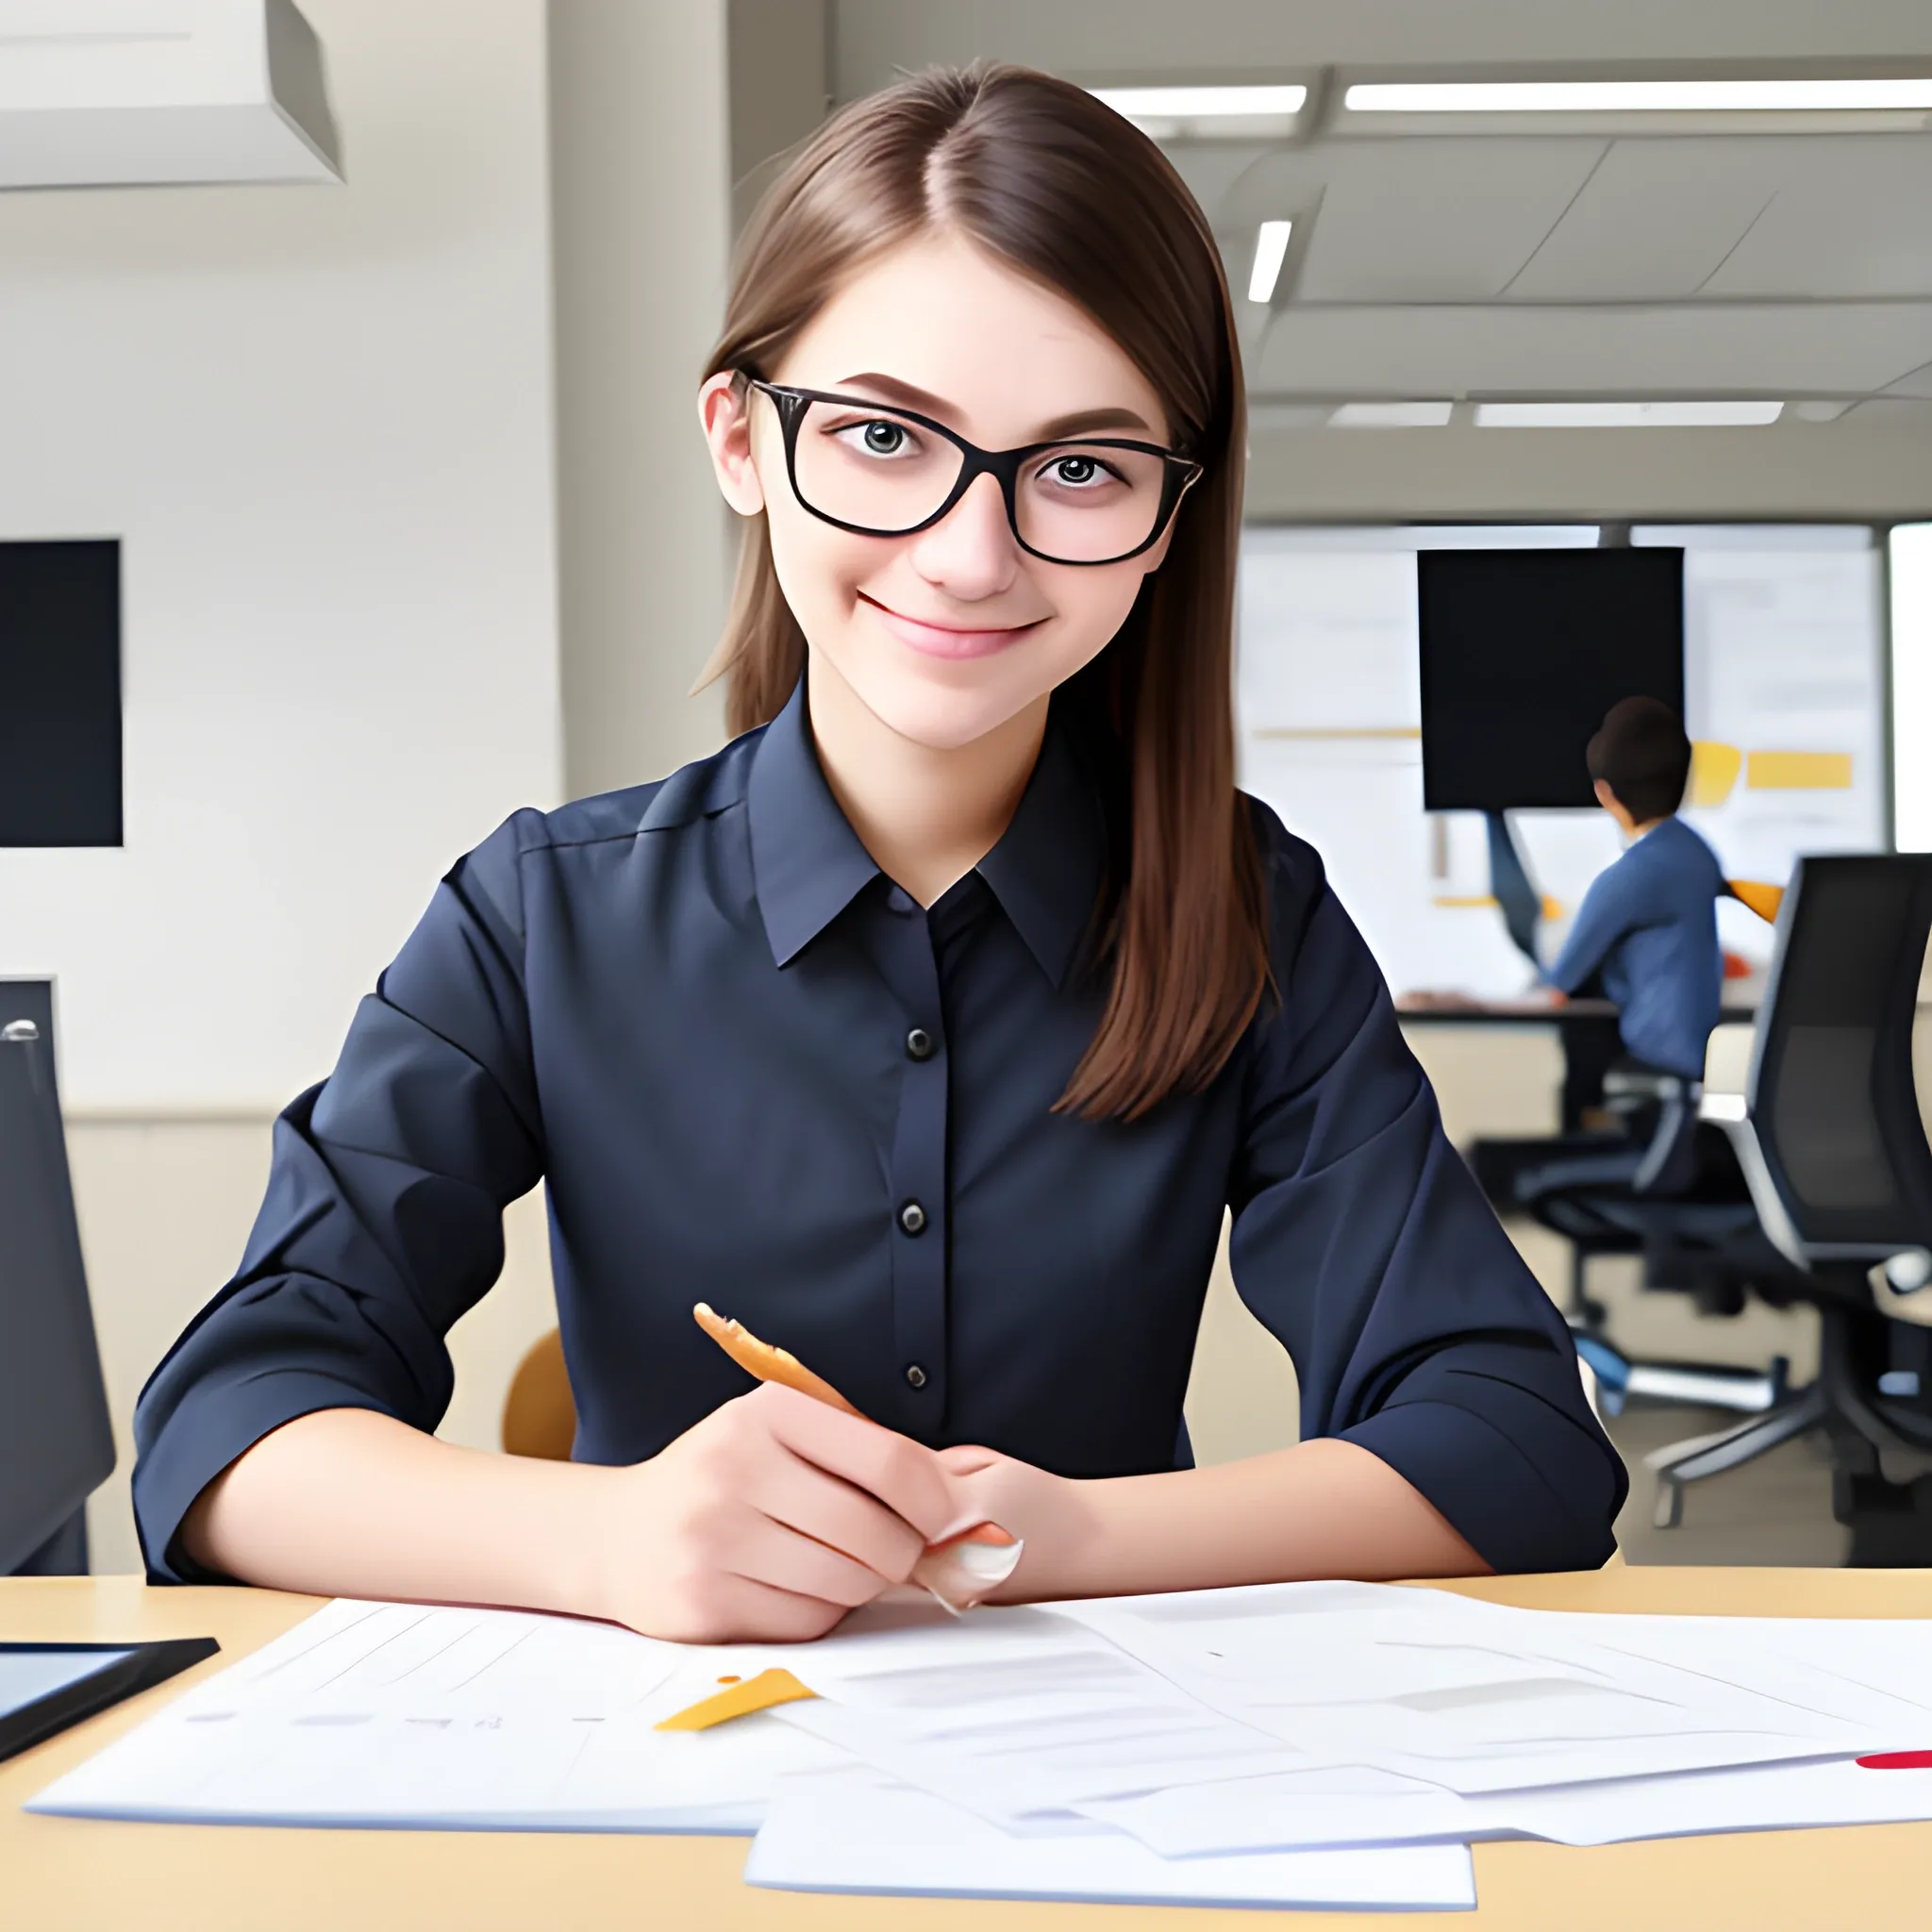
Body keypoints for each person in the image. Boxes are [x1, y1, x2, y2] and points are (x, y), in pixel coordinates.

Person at [131, 63, 1624, 1645]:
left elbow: (1516, 1443)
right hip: (670, 1791)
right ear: (739, 437)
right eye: (881, 435)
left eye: (1078, 468)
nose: (972, 553)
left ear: (1168, 513)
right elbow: (228, 1430)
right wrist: (610, 1538)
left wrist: (1074, 1534)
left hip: (1117, 1794)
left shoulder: (1247, 912)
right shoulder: (538, 915)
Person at [1546, 697, 1725, 1082]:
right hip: (1699, 1056)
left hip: (1657, 1059)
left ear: (1604, 792)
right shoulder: (1698, 853)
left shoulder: (1630, 876)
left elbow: (1562, 979)